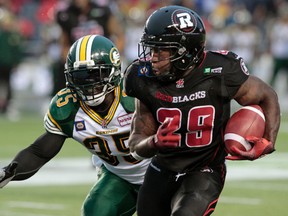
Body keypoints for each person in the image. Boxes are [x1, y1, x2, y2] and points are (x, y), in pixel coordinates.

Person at [123, 5, 280, 216]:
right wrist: (153, 142)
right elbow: (135, 145)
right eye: (151, 49)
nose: (153, 57)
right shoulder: (142, 78)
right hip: (162, 168)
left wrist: (269, 141)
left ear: (185, 51)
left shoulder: (219, 71)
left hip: (204, 169)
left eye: (162, 50)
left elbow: (266, 95)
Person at [0, 34, 150, 216]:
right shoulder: (68, 108)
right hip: (119, 176)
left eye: (95, 74)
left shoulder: (135, 94)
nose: (88, 83)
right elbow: (40, 152)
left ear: (113, 71)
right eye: (80, 76)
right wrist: (9, 171)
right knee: (95, 211)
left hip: (160, 171)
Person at [51, 0, 125, 96]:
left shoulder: (102, 10)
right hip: (79, 64)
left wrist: (111, 57)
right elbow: (64, 46)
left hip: (101, 62)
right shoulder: (66, 14)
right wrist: (73, 62)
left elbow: (120, 37)